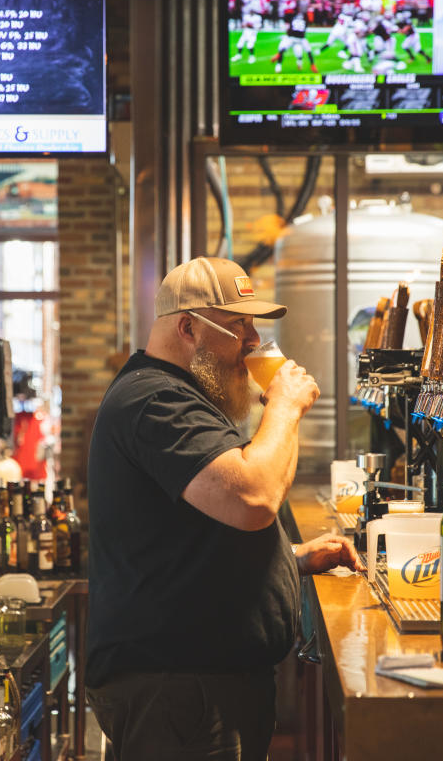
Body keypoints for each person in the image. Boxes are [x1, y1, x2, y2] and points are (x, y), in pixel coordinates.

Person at [85, 256, 361, 761]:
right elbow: (253, 498)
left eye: (254, 324)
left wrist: (289, 559)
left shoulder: (188, 395)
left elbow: (193, 533)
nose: (254, 340)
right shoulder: (156, 401)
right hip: (179, 691)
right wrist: (283, 407)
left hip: (198, 684)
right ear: (188, 328)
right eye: (238, 325)